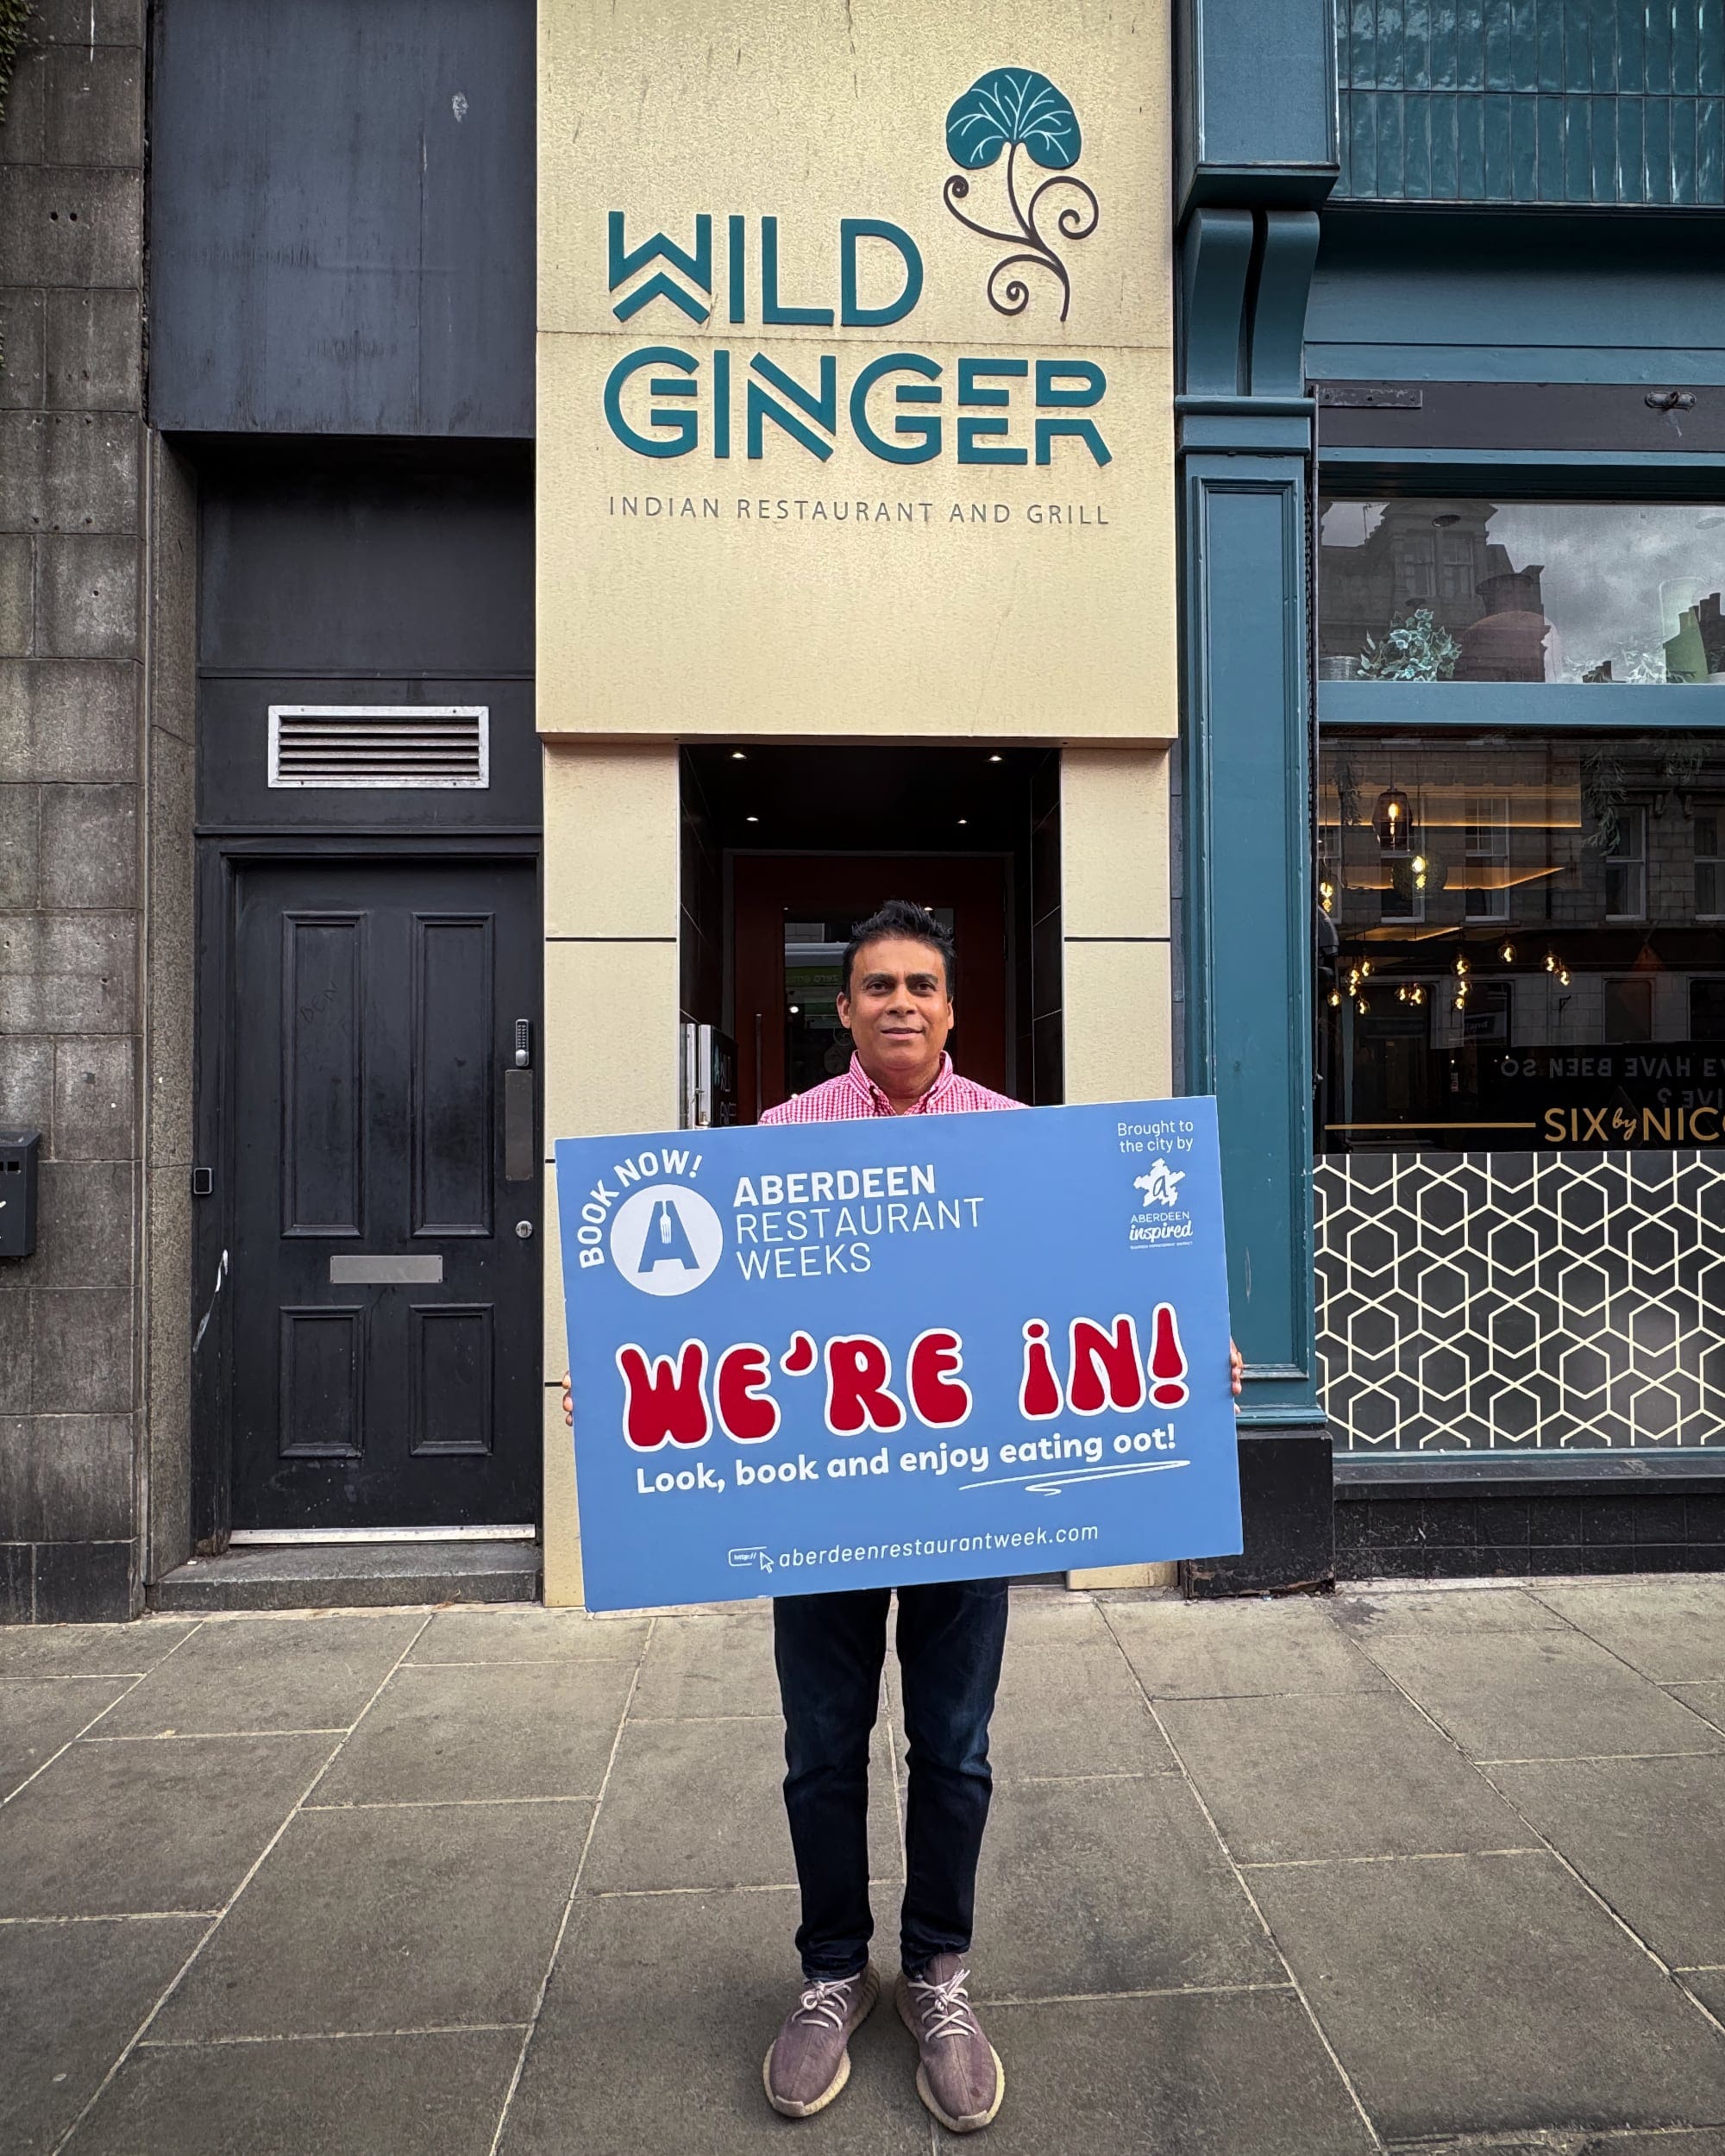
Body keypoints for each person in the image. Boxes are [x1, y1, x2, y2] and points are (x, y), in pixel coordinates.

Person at [563, 897, 1244, 2134]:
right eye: (877, 986)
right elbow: (721, 1318)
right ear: (846, 1005)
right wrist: (627, 1392)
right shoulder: (776, 1139)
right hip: (823, 1509)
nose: (899, 1005)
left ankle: (936, 1974)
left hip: (963, 1509)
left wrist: (1189, 1350)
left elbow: (1093, 1280)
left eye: (920, 986)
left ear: (950, 1005)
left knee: (956, 1749)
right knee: (821, 1750)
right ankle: (834, 1973)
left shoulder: (1016, 1141)